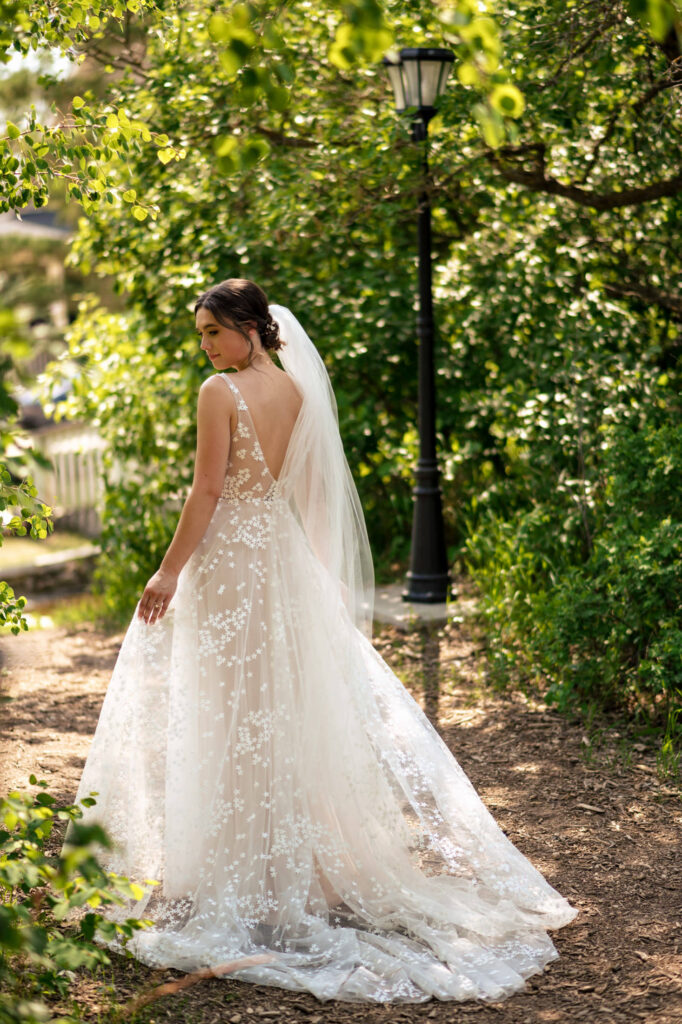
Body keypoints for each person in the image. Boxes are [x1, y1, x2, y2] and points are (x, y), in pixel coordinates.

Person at [72, 279, 577, 1004]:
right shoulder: (301, 394)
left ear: (251, 328)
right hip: (279, 563)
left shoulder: (222, 394)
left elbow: (206, 490)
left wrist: (166, 570)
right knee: (274, 712)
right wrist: (318, 584)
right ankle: (286, 869)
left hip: (232, 566)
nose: (208, 347)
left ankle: (245, 872)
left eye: (215, 331)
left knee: (235, 713)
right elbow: (309, 498)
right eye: (202, 336)